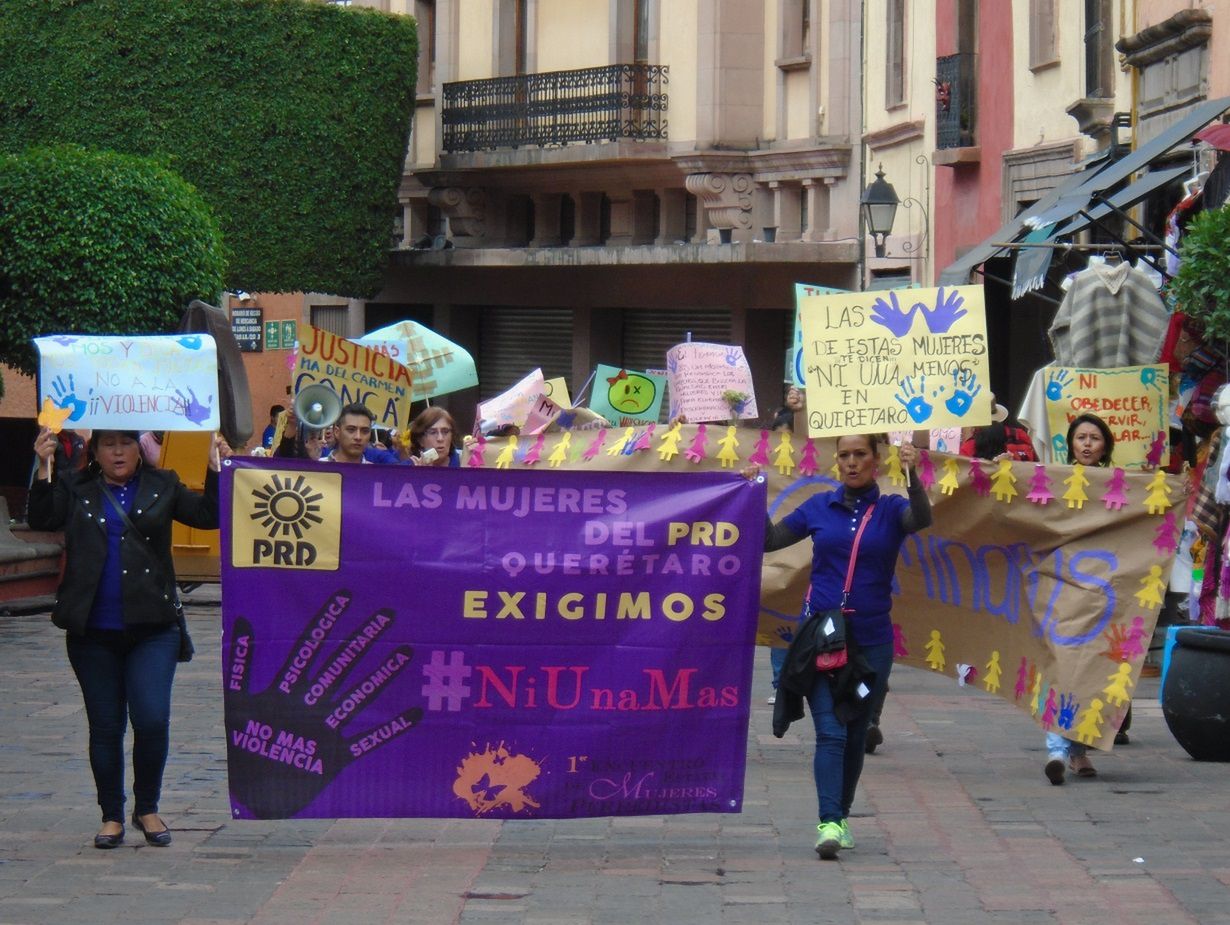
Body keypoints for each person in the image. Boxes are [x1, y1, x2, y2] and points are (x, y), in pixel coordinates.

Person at [27, 426, 230, 849]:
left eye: (125, 443)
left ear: (140, 449)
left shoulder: (163, 484)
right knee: (106, 726)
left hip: (153, 628)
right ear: (95, 451)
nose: (118, 452)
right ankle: (111, 815)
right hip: (92, 632)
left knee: (152, 718)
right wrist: (43, 465)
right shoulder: (75, 486)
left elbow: (209, 515)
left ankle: (147, 807)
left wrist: (215, 469)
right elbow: (41, 518)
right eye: (108, 444)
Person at [760, 434, 931, 858]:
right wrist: (753, 495)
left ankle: (842, 815)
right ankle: (829, 822)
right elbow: (770, 539)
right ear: (836, 461)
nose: (851, 463)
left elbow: (921, 519)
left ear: (877, 460)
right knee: (831, 732)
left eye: (860, 455)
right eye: (844, 456)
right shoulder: (819, 506)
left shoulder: (891, 510)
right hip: (822, 638)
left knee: (855, 733)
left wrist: (913, 476)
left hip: (871, 642)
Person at [1045, 412, 1117, 783]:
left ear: (1105, 445)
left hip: (1104, 596)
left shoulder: (1125, 486)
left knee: (1092, 671)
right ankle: (1057, 749)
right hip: (1062, 590)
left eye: (1095, 438)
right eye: (1081, 437)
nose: (1087, 444)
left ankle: (1077, 752)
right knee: (1065, 666)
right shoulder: (1054, 481)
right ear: (1070, 444)